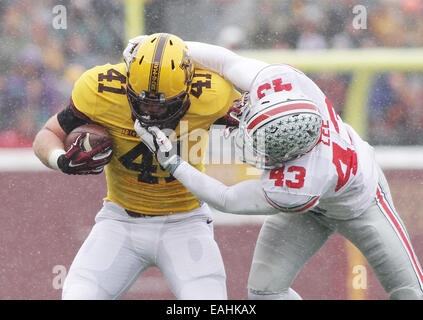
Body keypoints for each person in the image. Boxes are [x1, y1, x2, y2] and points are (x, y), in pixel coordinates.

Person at [135, 43, 423, 300]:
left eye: (259, 144)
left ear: (287, 156)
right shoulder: (282, 83)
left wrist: (173, 163)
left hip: (361, 204)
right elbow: (226, 61)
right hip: (314, 199)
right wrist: (170, 47)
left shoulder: (300, 183)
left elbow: (227, 198)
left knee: (410, 291)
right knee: (265, 292)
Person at [32, 33, 242, 300]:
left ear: (189, 84)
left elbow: (258, 119)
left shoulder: (213, 93)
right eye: (143, 101)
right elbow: (48, 134)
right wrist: (60, 160)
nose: (151, 112)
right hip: (120, 221)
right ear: (126, 78)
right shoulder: (100, 88)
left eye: (162, 104)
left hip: (186, 222)